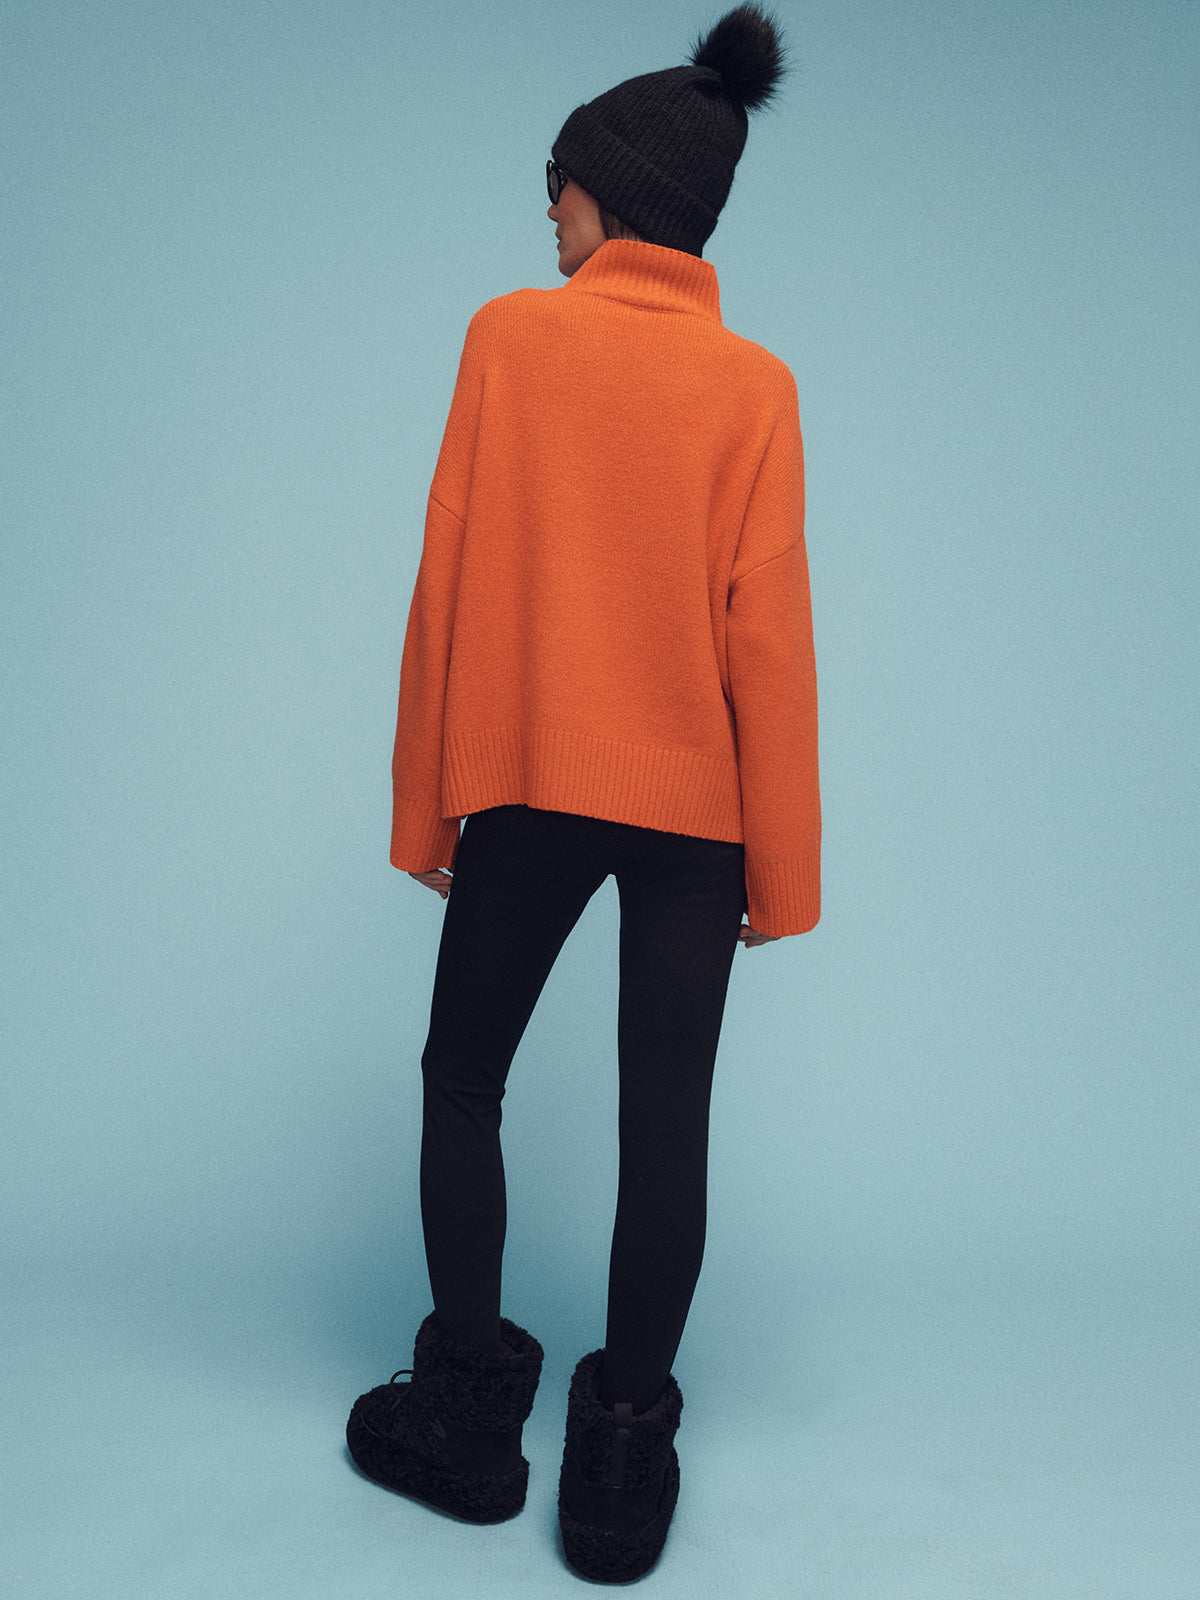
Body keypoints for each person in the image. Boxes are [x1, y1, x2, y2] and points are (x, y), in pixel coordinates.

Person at [345, 4, 818, 1582]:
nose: (545, 209)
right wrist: (785, 873)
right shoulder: (757, 386)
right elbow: (774, 634)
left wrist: (428, 811)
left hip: (534, 794)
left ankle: (466, 1428)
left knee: (462, 1080)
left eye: (556, 182)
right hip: (699, 820)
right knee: (664, 1127)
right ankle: (622, 1458)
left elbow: (448, 585)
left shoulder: (508, 335)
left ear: (611, 199)